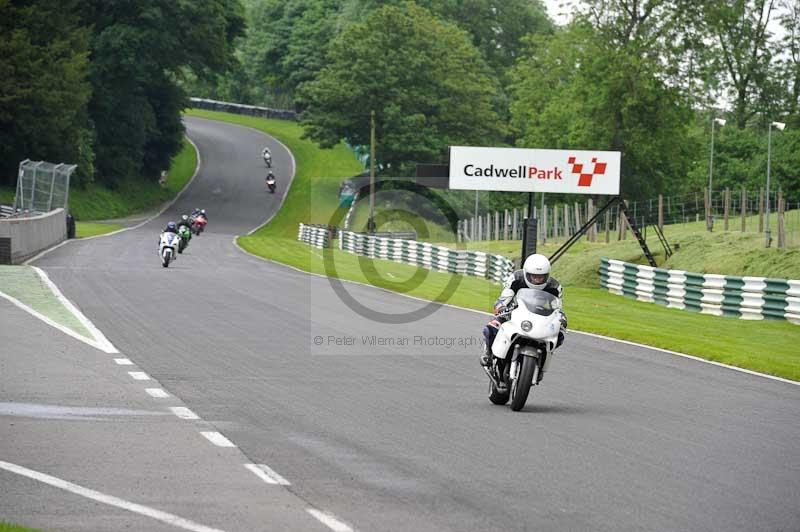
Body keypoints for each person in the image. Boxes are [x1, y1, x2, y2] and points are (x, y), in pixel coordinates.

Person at [480, 253, 567, 366]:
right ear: (526, 273)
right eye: (533, 276)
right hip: (514, 311)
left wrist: (562, 318)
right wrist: (501, 306)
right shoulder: (516, 278)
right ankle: (488, 353)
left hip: (540, 316)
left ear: (547, 275)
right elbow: (505, 296)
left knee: (559, 335)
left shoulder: (555, 287)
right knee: (492, 327)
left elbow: (558, 307)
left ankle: (540, 361)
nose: (537, 280)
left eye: (541, 277)